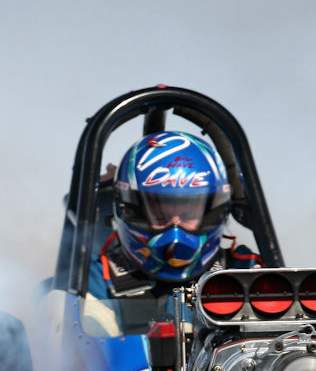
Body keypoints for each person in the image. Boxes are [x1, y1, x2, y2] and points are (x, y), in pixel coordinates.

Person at [90, 129, 259, 302]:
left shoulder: (246, 271)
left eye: (187, 213)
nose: (175, 230)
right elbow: (83, 325)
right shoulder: (99, 278)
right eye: (161, 214)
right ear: (130, 211)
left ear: (214, 212)